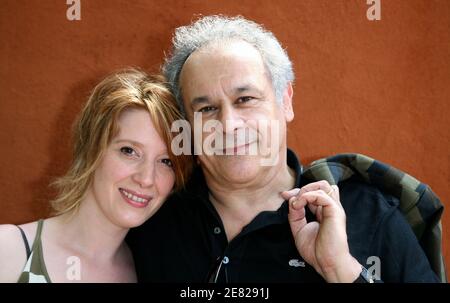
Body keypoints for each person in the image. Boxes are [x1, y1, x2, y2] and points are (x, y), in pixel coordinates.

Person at [126, 15, 441, 282]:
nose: (229, 125)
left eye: (245, 99)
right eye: (206, 108)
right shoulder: (148, 219)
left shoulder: (371, 216)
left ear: (285, 100)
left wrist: (340, 269)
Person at [0, 69, 192, 282]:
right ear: (92, 149)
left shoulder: (150, 272)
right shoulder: (9, 250)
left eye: (166, 161)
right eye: (129, 151)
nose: (146, 179)